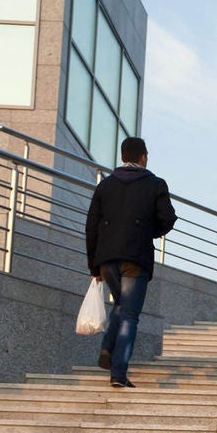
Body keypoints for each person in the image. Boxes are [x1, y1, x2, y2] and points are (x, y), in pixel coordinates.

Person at [85, 135, 177, 388]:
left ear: (123, 157)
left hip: (107, 258)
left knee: (122, 306)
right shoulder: (155, 184)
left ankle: (107, 347)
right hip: (135, 258)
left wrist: (94, 265)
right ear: (143, 157)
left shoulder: (106, 186)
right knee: (130, 315)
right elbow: (168, 218)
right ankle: (118, 372)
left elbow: (91, 225)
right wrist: (150, 231)